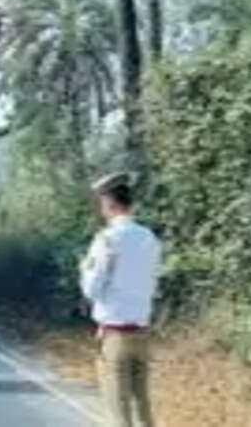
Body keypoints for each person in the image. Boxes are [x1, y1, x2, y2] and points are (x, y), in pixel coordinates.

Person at [79, 172, 161, 427]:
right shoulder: (149, 237)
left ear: (109, 203)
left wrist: (84, 271)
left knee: (118, 409)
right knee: (143, 406)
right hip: (142, 330)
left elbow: (91, 289)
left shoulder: (107, 239)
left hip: (114, 333)